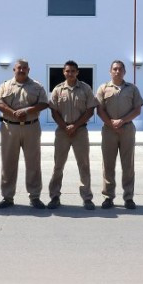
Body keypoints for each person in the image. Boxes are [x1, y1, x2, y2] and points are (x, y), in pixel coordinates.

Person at [0, 59, 49, 209]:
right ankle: (7, 197)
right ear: (14, 69)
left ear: (28, 70)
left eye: (25, 68)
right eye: (19, 68)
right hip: (10, 128)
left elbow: (44, 103)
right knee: (8, 163)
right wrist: (13, 113)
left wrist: (27, 111)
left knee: (33, 163)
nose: (22, 70)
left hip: (31, 127)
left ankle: (35, 196)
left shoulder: (37, 86)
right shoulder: (4, 86)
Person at [47, 60, 98, 210]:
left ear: (77, 72)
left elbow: (90, 110)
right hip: (62, 132)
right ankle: (54, 196)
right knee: (58, 165)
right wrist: (65, 126)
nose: (70, 73)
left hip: (80, 131)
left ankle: (87, 198)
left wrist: (75, 126)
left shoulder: (85, 88)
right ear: (64, 72)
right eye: (67, 71)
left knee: (84, 165)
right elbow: (54, 111)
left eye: (73, 71)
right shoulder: (58, 89)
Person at [95, 60, 143, 209]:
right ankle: (108, 197)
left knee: (128, 165)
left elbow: (137, 110)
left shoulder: (132, 89)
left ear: (124, 72)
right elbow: (99, 110)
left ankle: (128, 197)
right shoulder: (103, 88)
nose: (117, 71)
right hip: (109, 130)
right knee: (108, 164)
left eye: (120, 69)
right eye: (114, 69)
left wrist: (122, 121)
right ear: (110, 71)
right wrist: (112, 124)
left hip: (127, 130)